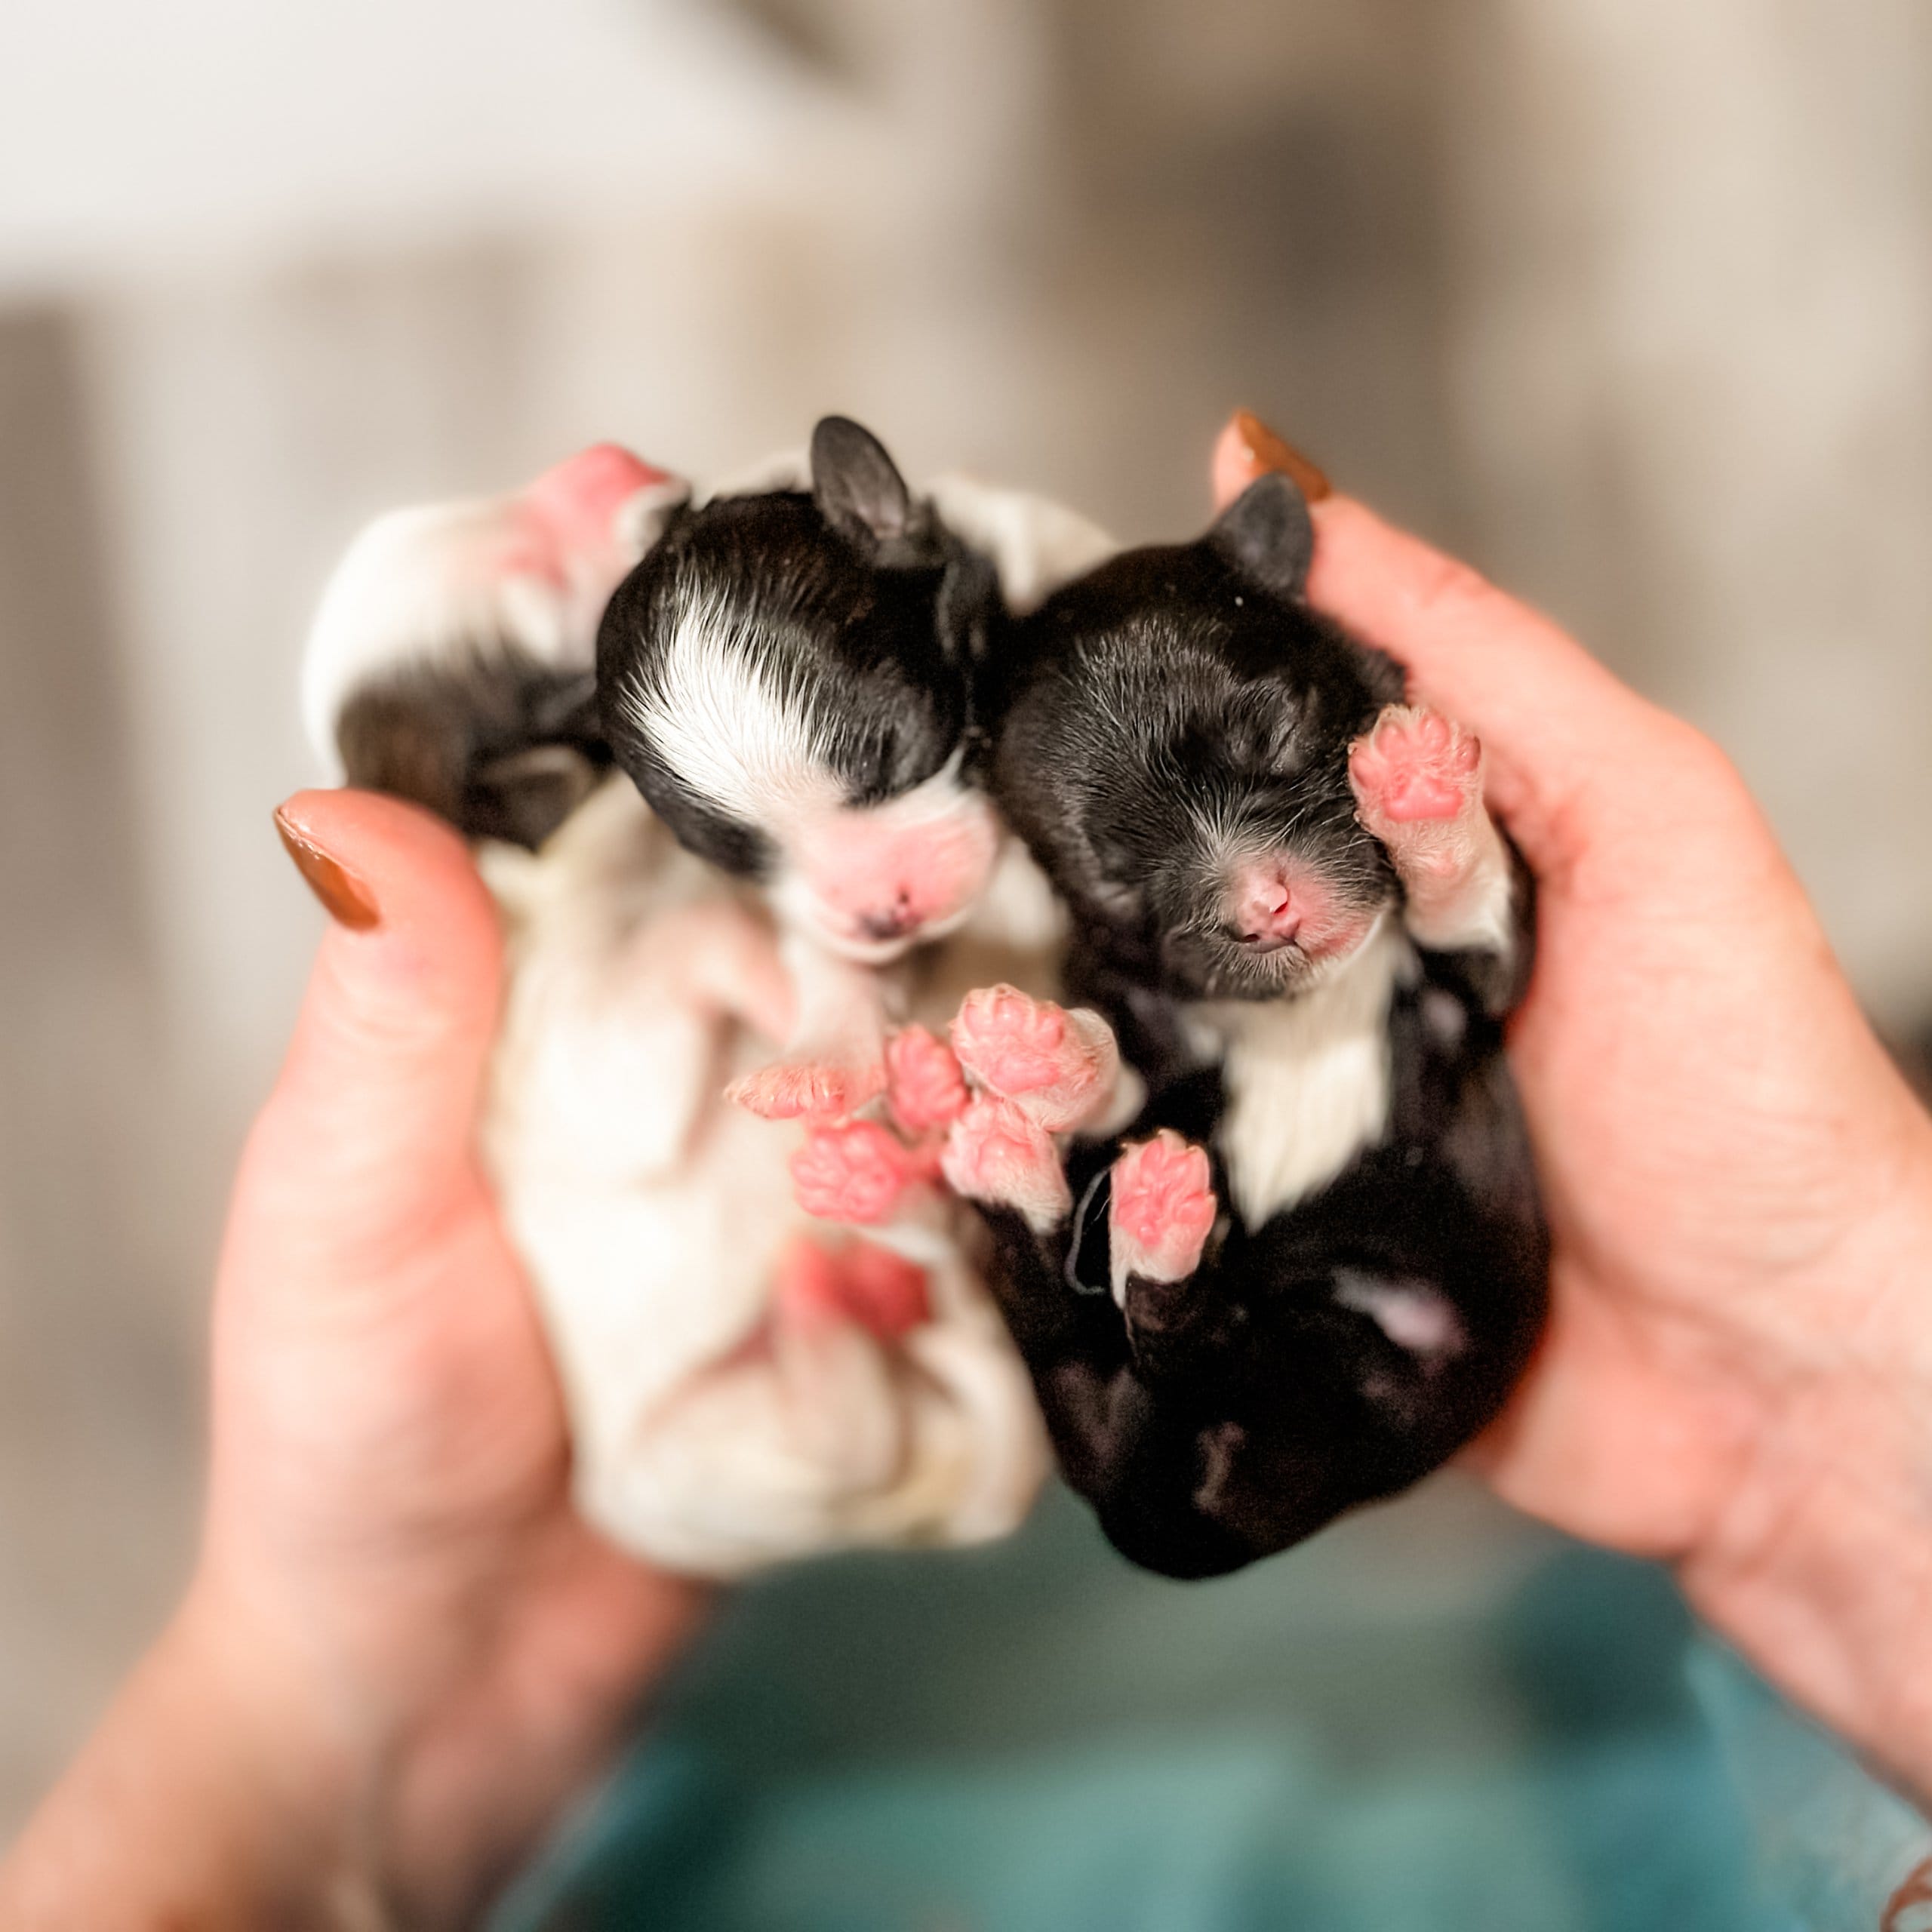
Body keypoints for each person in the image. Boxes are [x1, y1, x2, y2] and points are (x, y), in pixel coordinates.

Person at [5, 411, 1930, 1928]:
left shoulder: (1024, 678)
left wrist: (297, 1720)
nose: (864, 886)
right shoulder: (704, 949)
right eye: (762, 849)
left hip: (1265, 1524)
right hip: (990, 1580)